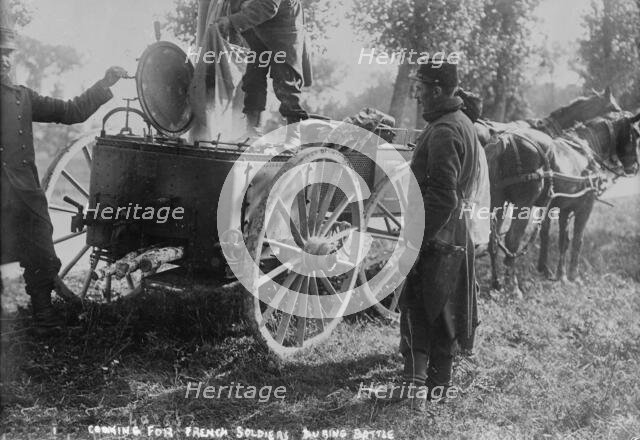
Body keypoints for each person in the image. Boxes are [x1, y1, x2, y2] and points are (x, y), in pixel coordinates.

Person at [0, 9, 127, 333]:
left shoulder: (23, 97)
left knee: (41, 253)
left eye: (7, 56)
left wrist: (103, 84)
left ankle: (43, 317)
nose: (4, 62)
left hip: (25, 194)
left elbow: (71, 111)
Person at [377, 60, 484, 405]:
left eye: (422, 88)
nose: (418, 96)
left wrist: (419, 239)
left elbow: (442, 194)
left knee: (420, 308)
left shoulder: (442, 132)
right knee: (444, 312)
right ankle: (438, 390)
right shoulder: (462, 122)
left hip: (437, 234)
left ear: (437, 90)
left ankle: (414, 390)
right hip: (455, 234)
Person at [216, 0, 312, 144]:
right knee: (253, 79)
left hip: (284, 28)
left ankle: (293, 135)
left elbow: (269, 6)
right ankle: (251, 132)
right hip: (256, 28)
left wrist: (233, 21)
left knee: (286, 81)